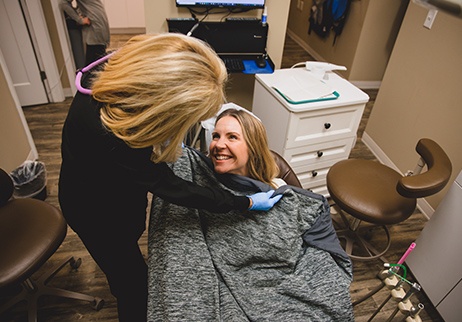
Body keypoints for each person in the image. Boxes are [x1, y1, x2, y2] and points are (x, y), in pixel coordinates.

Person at [58, 33, 282, 322]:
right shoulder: (112, 137)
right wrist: (243, 203)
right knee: (132, 286)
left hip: (100, 180)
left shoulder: (115, 72)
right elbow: (168, 185)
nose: (218, 144)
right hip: (94, 212)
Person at [60, 0, 110, 65]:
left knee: (97, 63)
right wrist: (79, 19)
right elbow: (63, 3)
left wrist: (79, 17)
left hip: (98, 27)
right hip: (97, 27)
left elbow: (64, 3)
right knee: (98, 62)